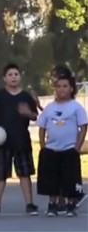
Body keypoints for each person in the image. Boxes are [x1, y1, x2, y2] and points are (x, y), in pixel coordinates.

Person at [0, 63, 39, 216]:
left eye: (16, 74)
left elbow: (35, 117)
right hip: (2, 142)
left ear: (20, 77)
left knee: (24, 174)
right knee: (0, 174)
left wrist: (28, 113)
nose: (13, 77)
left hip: (22, 141)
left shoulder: (26, 96)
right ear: (4, 78)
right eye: (10, 75)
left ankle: (30, 204)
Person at [36, 68, 87, 217]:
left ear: (71, 89)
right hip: (51, 149)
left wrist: (77, 147)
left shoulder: (76, 107)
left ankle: (71, 204)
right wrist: (43, 146)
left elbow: (83, 127)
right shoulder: (50, 108)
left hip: (69, 149)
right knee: (51, 178)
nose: (61, 89)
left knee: (70, 178)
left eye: (65, 86)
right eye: (58, 86)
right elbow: (42, 127)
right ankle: (53, 204)